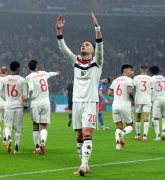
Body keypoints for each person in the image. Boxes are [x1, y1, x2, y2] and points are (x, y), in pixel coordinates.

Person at [56, 12, 103, 176]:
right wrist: (59, 31)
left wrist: (97, 28)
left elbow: (100, 45)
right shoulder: (75, 61)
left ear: (93, 50)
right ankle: (84, 164)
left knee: (87, 133)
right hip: (76, 103)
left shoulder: (97, 62)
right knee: (78, 135)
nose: (83, 46)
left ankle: (83, 165)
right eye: (82, 44)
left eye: (87, 45)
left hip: (90, 102)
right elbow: (63, 48)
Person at [26, 60, 60, 155]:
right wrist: (57, 73)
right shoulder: (44, 73)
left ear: (29, 68)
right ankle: (43, 143)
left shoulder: (28, 77)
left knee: (35, 126)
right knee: (44, 126)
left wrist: (28, 96)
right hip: (46, 102)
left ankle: (37, 148)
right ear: (37, 66)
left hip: (35, 103)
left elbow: (31, 88)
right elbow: (51, 73)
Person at [0, 61, 28, 154]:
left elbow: (1, 93)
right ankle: (16, 149)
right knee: (18, 129)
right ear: (18, 69)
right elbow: (24, 96)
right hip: (18, 106)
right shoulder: (22, 80)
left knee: (7, 126)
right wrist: (25, 106)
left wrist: (7, 99)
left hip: (8, 106)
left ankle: (8, 138)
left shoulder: (4, 79)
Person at [108, 64, 134, 151]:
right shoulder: (129, 80)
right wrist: (133, 100)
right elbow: (130, 91)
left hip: (115, 106)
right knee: (130, 125)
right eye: (131, 70)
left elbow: (109, 92)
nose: (132, 72)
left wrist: (117, 96)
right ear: (125, 70)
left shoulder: (115, 80)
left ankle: (118, 145)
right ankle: (122, 134)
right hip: (125, 105)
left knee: (118, 126)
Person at [149, 66, 165, 141]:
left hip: (157, 100)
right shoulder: (163, 78)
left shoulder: (151, 79)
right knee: (164, 116)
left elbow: (151, 90)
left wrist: (151, 100)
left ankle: (158, 136)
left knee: (155, 118)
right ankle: (163, 131)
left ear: (151, 72)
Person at [133, 65, 152, 142]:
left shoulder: (136, 78)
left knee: (138, 117)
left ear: (140, 69)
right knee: (146, 117)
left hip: (138, 99)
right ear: (146, 70)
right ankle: (145, 136)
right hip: (147, 99)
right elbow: (152, 89)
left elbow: (133, 87)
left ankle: (137, 135)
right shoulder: (151, 79)